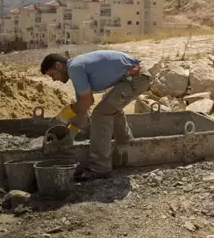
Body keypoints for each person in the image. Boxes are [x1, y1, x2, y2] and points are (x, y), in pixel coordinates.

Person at [40, 50, 152, 180]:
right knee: (109, 106)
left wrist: (64, 114)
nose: (54, 79)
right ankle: (126, 144)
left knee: (101, 113)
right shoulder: (77, 69)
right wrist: (71, 134)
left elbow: (87, 101)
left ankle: (100, 167)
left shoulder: (75, 68)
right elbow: (83, 107)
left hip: (136, 77)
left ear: (58, 66)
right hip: (132, 77)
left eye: (52, 75)